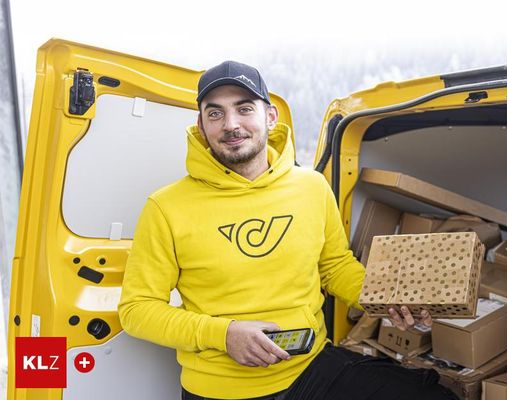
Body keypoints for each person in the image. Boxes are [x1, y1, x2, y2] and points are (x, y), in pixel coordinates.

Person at [118, 61, 458, 400]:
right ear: (201, 125)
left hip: (311, 368)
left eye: (244, 109)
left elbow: (335, 266)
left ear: (270, 117)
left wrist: (382, 297)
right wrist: (224, 334)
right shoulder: (166, 206)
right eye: (215, 113)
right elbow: (137, 310)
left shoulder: (311, 187)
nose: (231, 125)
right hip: (222, 389)